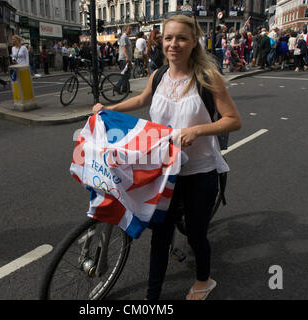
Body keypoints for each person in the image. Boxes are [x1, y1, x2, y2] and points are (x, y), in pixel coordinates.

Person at [92, 14, 241, 301]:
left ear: (194, 42)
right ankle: (152, 298)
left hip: (199, 170)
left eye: (182, 38)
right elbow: (143, 100)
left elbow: (233, 120)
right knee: (159, 236)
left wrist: (197, 130)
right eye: (169, 38)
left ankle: (204, 280)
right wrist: (109, 110)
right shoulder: (158, 75)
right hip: (163, 171)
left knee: (196, 234)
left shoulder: (207, 78)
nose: (174, 44)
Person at [117, 25, 133, 92]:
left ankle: (125, 89)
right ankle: (117, 87)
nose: (131, 31)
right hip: (124, 58)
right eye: (130, 29)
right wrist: (127, 56)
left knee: (128, 74)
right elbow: (123, 47)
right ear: (125, 30)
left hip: (127, 58)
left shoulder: (126, 37)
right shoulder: (123, 37)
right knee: (124, 74)